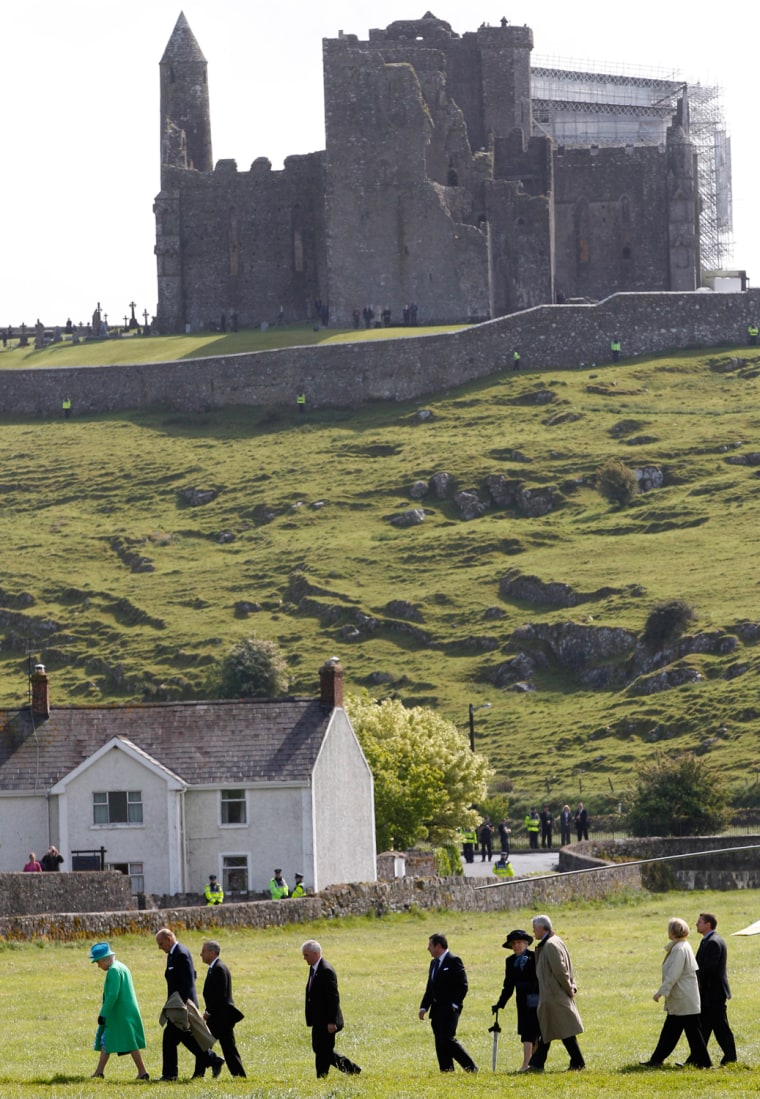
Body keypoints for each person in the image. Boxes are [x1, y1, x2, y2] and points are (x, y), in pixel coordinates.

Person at [155, 927, 225, 1082]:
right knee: (182, 1038)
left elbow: (188, 981)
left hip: (182, 1006)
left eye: (161, 943)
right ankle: (212, 1060)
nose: (160, 947)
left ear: (168, 939)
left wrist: (181, 1006)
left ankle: (170, 1074)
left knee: (171, 1038)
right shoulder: (172, 954)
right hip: (177, 1005)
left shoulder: (181, 953)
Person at [641, 916, 711, 1068]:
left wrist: (660, 992)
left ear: (673, 932)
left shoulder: (679, 949)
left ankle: (703, 1063)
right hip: (684, 998)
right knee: (674, 1032)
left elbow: (673, 974)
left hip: (683, 998)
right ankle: (657, 1059)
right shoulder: (680, 946)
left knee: (689, 1034)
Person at [527, 914, 585, 1071]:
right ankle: (537, 1063)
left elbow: (561, 971)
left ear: (541, 928)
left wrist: (569, 987)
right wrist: (571, 985)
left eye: (534, 929)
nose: (533, 932)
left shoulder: (551, 945)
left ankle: (576, 1062)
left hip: (554, 995)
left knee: (558, 1030)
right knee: (551, 1030)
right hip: (553, 994)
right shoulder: (556, 941)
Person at [89, 941, 149, 1081]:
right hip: (125, 1011)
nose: (98, 966)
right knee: (114, 1040)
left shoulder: (113, 971)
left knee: (115, 1040)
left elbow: (112, 995)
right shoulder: (122, 966)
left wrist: (103, 1013)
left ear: (105, 959)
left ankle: (141, 1072)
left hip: (119, 1013)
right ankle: (100, 1071)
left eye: (98, 962)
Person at [419, 932, 477, 1073]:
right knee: (439, 1040)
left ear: (438, 946)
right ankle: (446, 1070)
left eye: (430, 946)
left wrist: (455, 1005)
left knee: (447, 1038)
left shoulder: (454, 960)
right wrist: (424, 1007)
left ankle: (471, 1067)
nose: (428, 949)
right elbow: (430, 987)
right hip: (437, 1009)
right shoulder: (434, 963)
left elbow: (463, 985)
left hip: (450, 1009)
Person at [301, 939, 361, 1077]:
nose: (304, 958)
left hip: (327, 1020)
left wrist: (332, 1021)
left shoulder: (325, 970)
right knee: (320, 1049)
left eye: (306, 955)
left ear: (315, 954)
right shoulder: (314, 968)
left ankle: (323, 1076)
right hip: (318, 1018)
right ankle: (352, 1070)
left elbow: (333, 998)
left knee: (324, 1050)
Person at [687, 913, 736, 1065]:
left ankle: (730, 1057)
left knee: (720, 1027)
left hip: (713, 993)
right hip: (709, 992)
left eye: (699, 922)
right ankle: (696, 1059)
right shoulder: (708, 941)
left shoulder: (713, 942)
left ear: (708, 924)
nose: (696, 924)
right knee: (705, 1027)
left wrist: (690, 974)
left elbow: (708, 969)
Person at [492, 929, 540, 1072]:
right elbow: (508, 985)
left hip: (537, 999)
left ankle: (531, 1064)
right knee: (527, 1033)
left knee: (535, 1034)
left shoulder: (535, 957)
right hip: (522, 1001)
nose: (517, 946)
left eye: (519, 942)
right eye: (514, 943)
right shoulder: (510, 961)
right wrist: (500, 1004)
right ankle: (528, 1064)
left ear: (526, 944)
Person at [200, 940, 246, 1077]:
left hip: (220, 1017)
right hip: (220, 1016)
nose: (200, 954)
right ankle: (238, 1074)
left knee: (203, 1043)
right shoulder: (215, 968)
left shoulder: (219, 969)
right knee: (225, 1047)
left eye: (203, 951)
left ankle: (203, 1070)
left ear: (212, 952)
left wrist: (208, 1013)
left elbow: (219, 996)